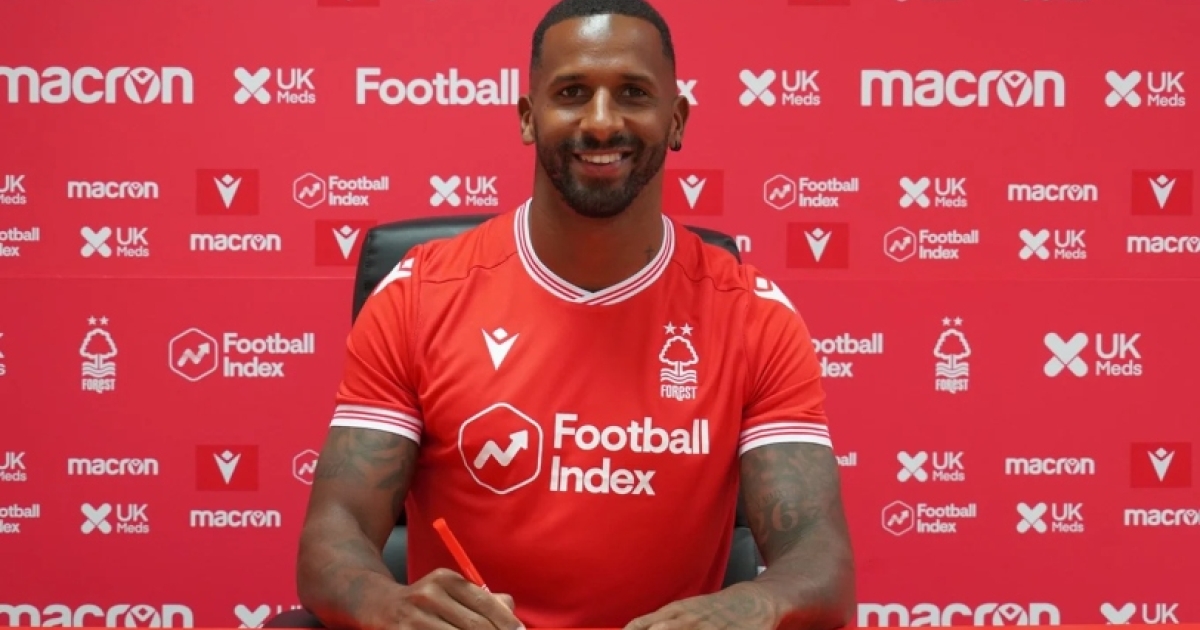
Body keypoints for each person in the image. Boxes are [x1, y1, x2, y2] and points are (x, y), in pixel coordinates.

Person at [296, 0, 856, 627]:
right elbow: (334, 530)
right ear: (528, 117)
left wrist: (751, 606)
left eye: (633, 93)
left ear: (676, 120)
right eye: (572, 93)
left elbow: (819, 561)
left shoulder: (754, 317)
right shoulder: (419, 295)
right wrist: (387, 606)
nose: (601, 121)